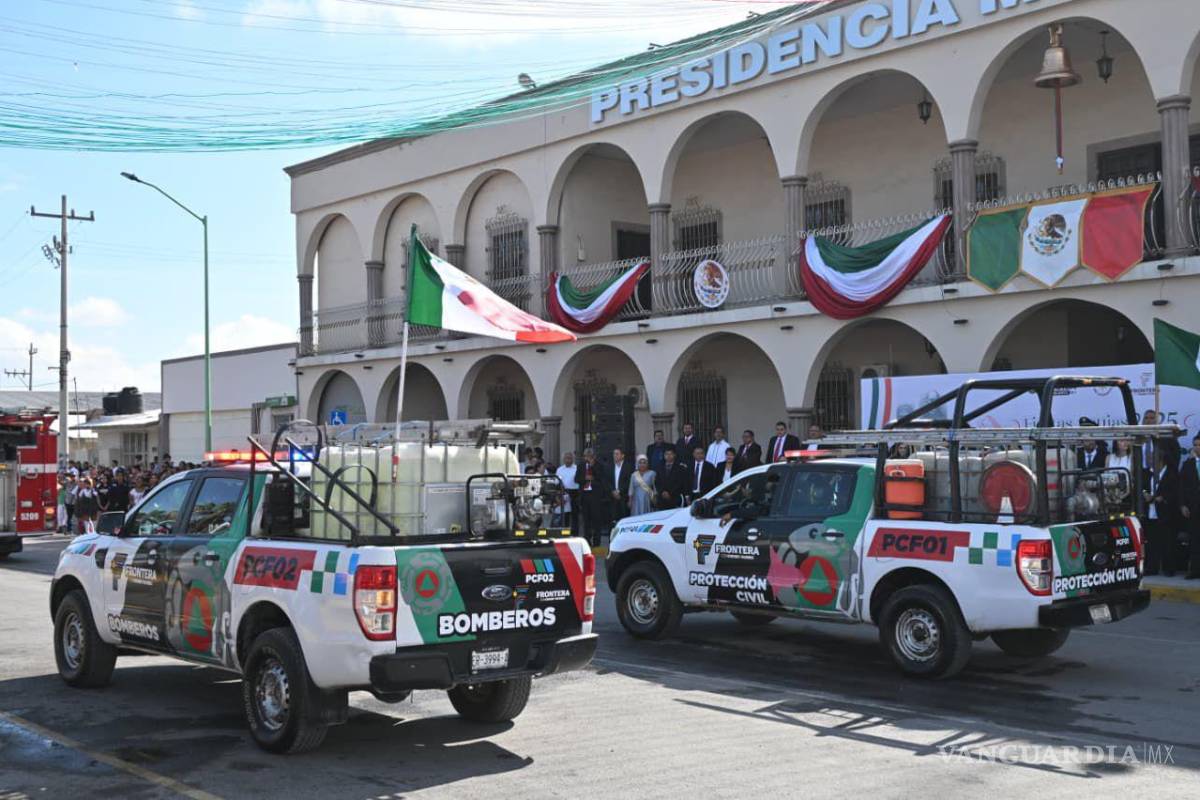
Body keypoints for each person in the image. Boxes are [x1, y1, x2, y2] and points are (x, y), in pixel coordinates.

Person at [1143, 448, 1179, 576]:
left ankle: (1169, 568)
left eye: (1153, 459)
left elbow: (1174, 492)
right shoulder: (1147, 473)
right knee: (1152, 542)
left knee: (1167, 542)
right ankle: (1152, 567)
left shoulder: (1171, 474)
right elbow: (1143, 487)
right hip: (1151, 512)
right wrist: (1146, 495)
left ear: (1161, 461)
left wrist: (1163, 498)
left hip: (1165, 513)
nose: (1150, 462)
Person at [575, 449, 611, 547]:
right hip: (585, 496)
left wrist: (592, 466)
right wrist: (585, 479)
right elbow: (577, 479)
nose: (587, 458)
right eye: (586, 456)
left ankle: (596, 542)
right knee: (586, 521)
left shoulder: (600, 465)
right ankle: (587, 541)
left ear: (594, 456)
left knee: (596, 520)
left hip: (595, 496)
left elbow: (602, 478)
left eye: (590, 456)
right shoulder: (581, 465)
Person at [1178, 434, 1200, 579]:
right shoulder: (1188, 464)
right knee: (1195, 540)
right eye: (1195, 445)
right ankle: (1195, 570)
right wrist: (1183, 505)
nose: (1197, 448)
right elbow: (1181, 487)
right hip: (1193, 508)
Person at [555, 451, 578, 530]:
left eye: (570, 458)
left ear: (573, 459)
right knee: (564, 515)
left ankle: (574, 532)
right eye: (566, 458)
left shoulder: (576, 468)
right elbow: (556, 483)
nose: (568, 460)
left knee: (574, 515)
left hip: (574, 493)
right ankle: (564, 531)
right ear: (563, 459)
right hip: (563, 492)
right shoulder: (560, 469)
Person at [610, 447, 633, 524]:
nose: (615, 456)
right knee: (613, 521)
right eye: (614, 454)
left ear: (622, 455)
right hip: (612, 498)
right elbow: (607, 481)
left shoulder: (628, 467)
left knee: (624, 520)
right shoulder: (609, 466)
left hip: (623, 497)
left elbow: (629, 482)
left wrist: (619, 491)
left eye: (617, 454)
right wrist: (613, 491)